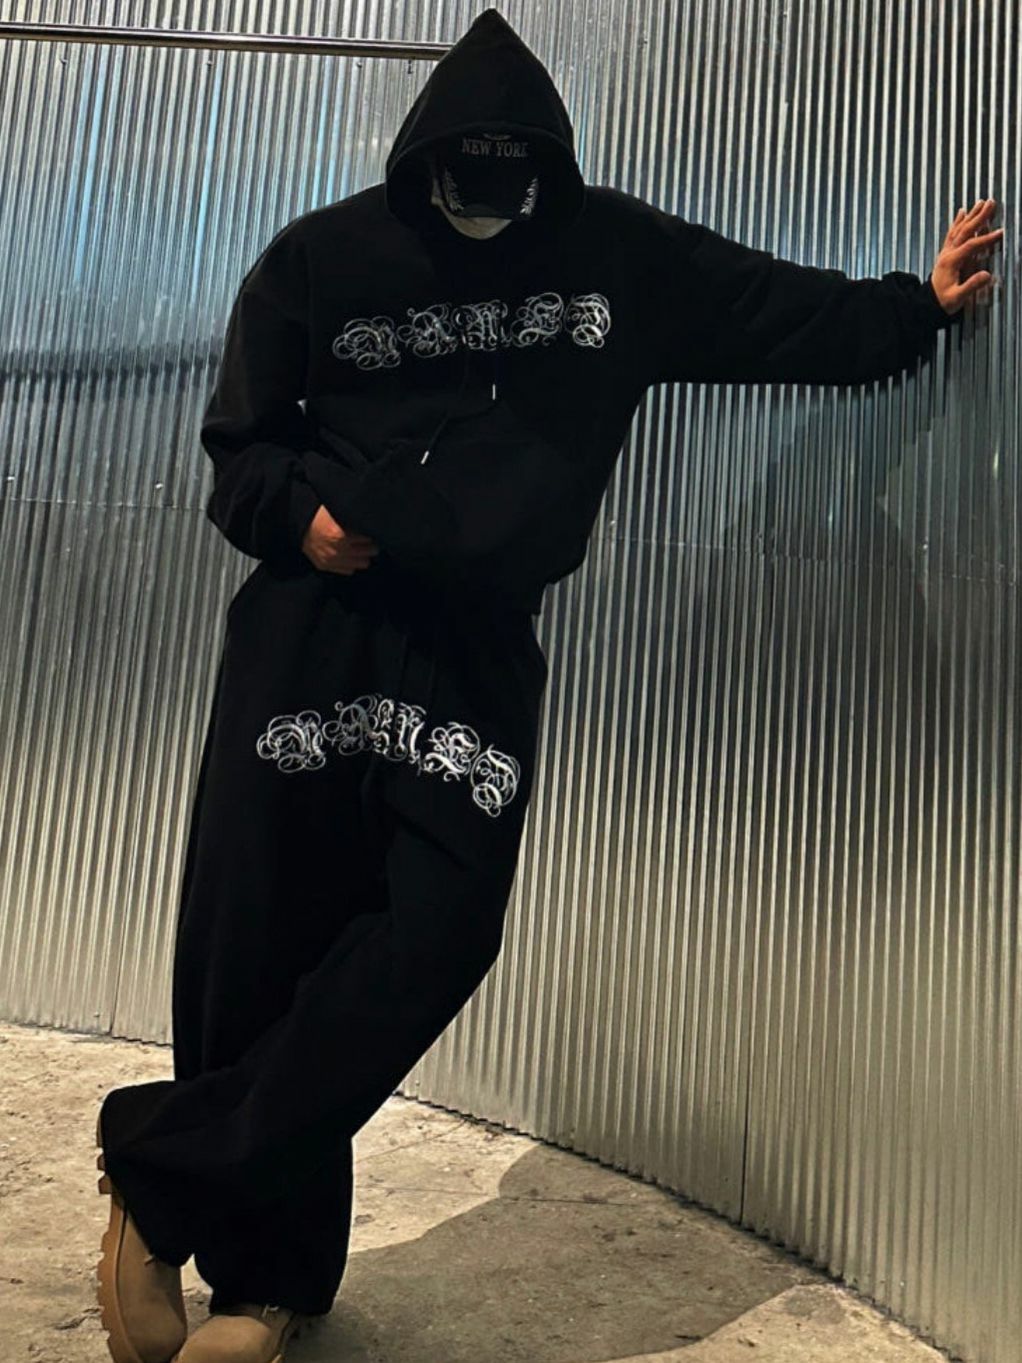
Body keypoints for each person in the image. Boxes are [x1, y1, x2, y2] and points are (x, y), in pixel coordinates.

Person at [93, 8, 1002, 1363]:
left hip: (474, 641)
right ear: (423, 160)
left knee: (442, 927)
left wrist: (910, 307)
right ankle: (263, 1282)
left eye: (511, 169)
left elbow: (768, 310)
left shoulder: (610, 255)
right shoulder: (320, 258)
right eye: (464, 168)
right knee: (262, 940)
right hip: (314, 628)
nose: (486, 190)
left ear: (547, 165)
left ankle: (159, 1171)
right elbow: (240, 448)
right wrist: (302, 521)